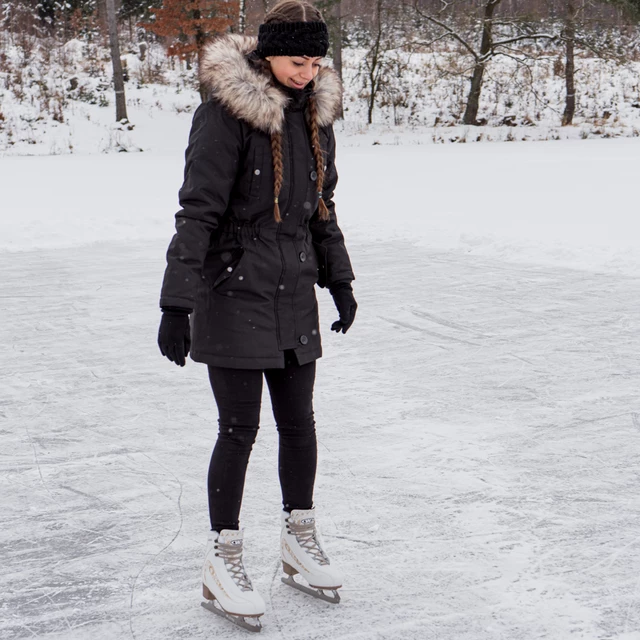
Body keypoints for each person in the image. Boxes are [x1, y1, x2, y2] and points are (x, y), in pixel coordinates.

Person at [157, 0, 356, 630]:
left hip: (293, 288)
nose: (310, 70)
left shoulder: (315, 116)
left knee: (299, 423)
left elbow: (319, 207)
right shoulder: (225, 115)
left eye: (317, 59)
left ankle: (300, 538)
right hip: (234, 286)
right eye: (299, 59)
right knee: (238, 429)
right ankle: (224, 556)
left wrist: (339, 279)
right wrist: (176, 303)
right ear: (268, 53)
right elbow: (198, 211)